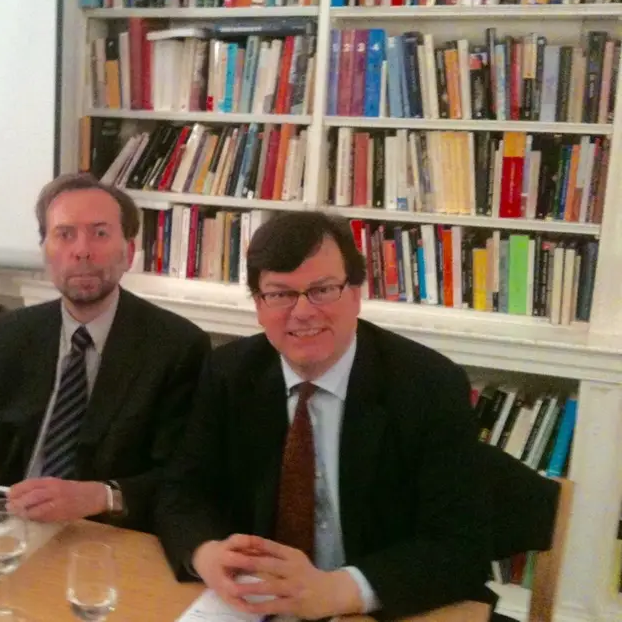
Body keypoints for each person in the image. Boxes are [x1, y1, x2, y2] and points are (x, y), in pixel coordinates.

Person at [155, 211, 491, 620]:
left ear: (356, 294)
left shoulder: (429, 386)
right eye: (279, 294)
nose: (302, 312)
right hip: (259, 602)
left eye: (322, 290)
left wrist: (342, 589)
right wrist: (205, 553)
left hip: (377, 610)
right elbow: (182, 490)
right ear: (258, 306)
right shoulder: (229, 372)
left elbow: (460, 545)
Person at [0, 172, 211, 532]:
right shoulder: (10, 334)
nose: (82, 250)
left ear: (129, 252)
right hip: (10, 524)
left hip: (108, 536)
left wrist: (102, 496)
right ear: (45, 251)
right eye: (65, 234)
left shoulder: (177, 347)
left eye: (100, 233)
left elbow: (182, 478)